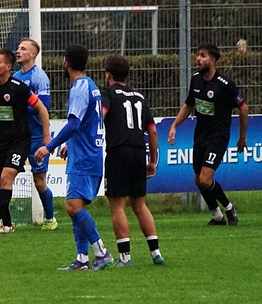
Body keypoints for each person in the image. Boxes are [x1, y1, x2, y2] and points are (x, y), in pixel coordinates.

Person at [35, 44, 113, 271]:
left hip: (84, 157)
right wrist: (70, 144)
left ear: (65, 62)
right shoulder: (91, 86)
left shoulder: (79, 88)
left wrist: (49, 147)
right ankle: (82, 258)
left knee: (72, 207)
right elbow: (87, 122)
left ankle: (101, 252)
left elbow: (74, 124)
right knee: (76, 205)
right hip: (88, 153)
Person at [167, 44, 248, 226]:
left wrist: (242, 137)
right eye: (198, 55)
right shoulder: (196, 80)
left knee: (205, 179)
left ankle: (229, 207)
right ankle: (217, 216)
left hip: (218, 137)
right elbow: (189, 105)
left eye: (202, 56)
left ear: (212, 60)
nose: (198, 59)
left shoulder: (225, 85)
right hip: (200, 136)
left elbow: (243, 109)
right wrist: (174, 125)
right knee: (198, 180)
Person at [0, 48, 50, 234]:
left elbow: (42, 109)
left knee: (6, 177)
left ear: (8, 67)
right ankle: (8, 224)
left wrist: (46, 136)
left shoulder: (19, 88)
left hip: (20, 143)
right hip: (2, 143)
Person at [101, 55, 164, 267]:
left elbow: (102, 114)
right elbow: (152, 131)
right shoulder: (139, 96)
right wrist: (152, 160)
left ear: (108, 74)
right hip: (138, 152)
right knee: (139, 204)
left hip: (118, 152)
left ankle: (125, 257)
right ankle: (155, 253)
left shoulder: (108, 93)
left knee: (117, 205)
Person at [14, 37, 58, 230]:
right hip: (18, 136)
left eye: (23, 48)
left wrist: (47, 137)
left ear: (33, 54)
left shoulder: (39, 78)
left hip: (37, 136)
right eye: (18, 48)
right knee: (4, 176)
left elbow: (44, 107)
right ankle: (1, 219)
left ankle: (50, 218)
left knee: (39, 181)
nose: (18, 51)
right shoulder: (15, 77)